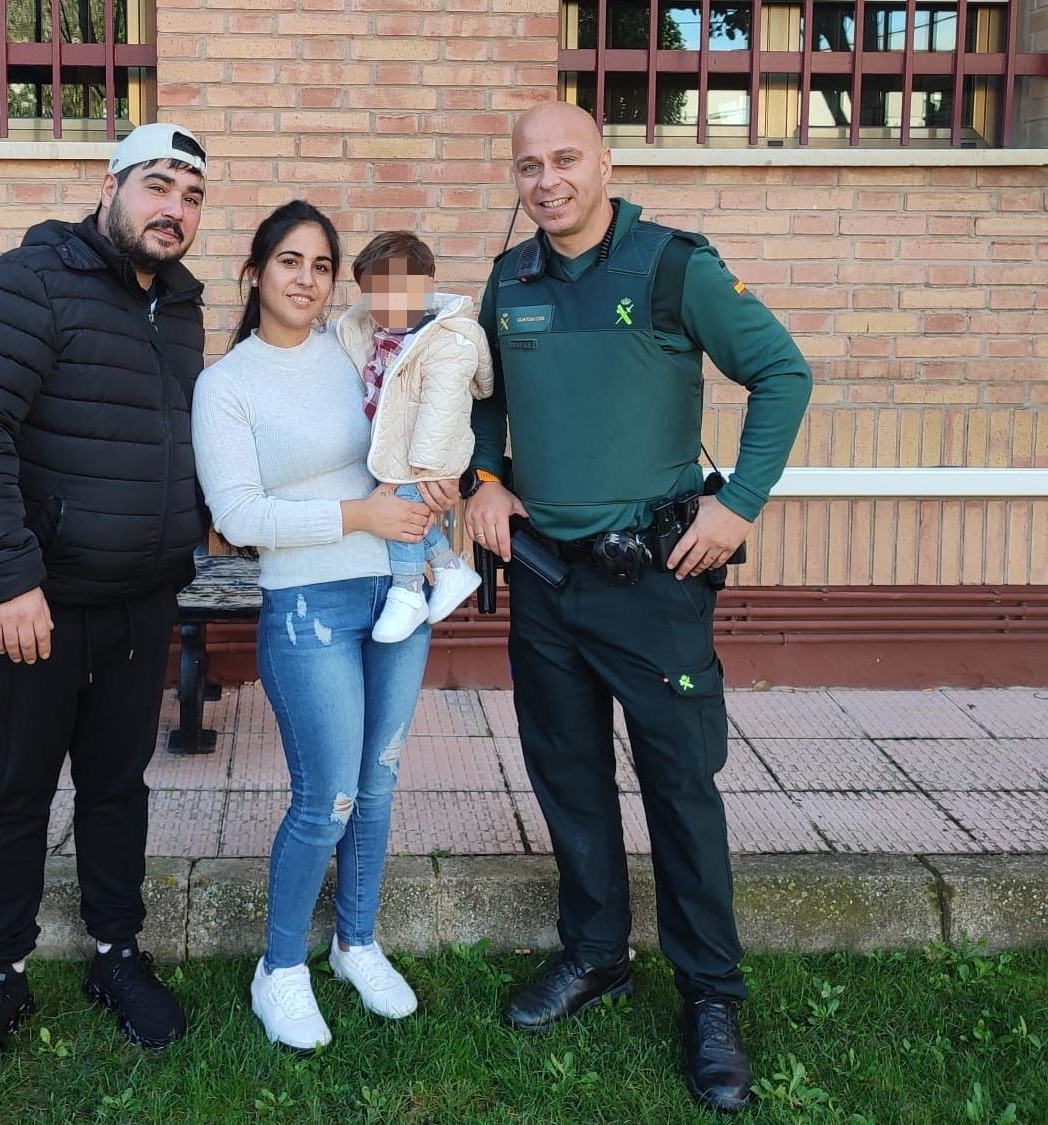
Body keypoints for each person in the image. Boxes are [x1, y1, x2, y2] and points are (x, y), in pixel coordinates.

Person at [460, 101, 813, 1114]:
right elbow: (480, 393)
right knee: (567, 779)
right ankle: (594, 955)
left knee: (677, 790)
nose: (546, 180)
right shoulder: (509, 278)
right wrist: (484, 475)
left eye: (564, 159)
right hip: (544, 581)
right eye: (528, 166)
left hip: (651, 582)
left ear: (604, 162)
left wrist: (737, 503)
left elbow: (780, 372)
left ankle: (708, 994)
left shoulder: (672, 266)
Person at [0, 122, 211, 1082]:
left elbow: (171, 437)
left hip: (138, 607)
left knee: (117, 788)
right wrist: (6, 577)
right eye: (158, 186)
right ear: (111, 186)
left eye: (193, 195)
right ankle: (0, 972)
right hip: (32, 610)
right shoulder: (27, 283)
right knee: (13, 794)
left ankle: (115, 955)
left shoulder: (179, 309)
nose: (175, 209)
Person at [193, 201, 440, 1051]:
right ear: (255, 273)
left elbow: (434, 369)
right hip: (308, 607)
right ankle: (280, 967)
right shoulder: (227, 384)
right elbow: (237, 513)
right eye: (290, 261)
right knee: (325, 797)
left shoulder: (357, 349)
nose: (307, 279)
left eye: (323, 265)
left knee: (378, 781)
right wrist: (359, 517)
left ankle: (356, 942)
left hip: (398, 596)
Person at [334, 231, 494, 643]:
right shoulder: (384, 331)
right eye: (374, 294)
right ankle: (447, 565)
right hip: (396, 448)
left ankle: (406, 591)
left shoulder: (446, 342)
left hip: (426, 456)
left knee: (398, 512)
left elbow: (440, 414)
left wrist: (408, 475)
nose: (384, 305)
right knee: (400, 508)